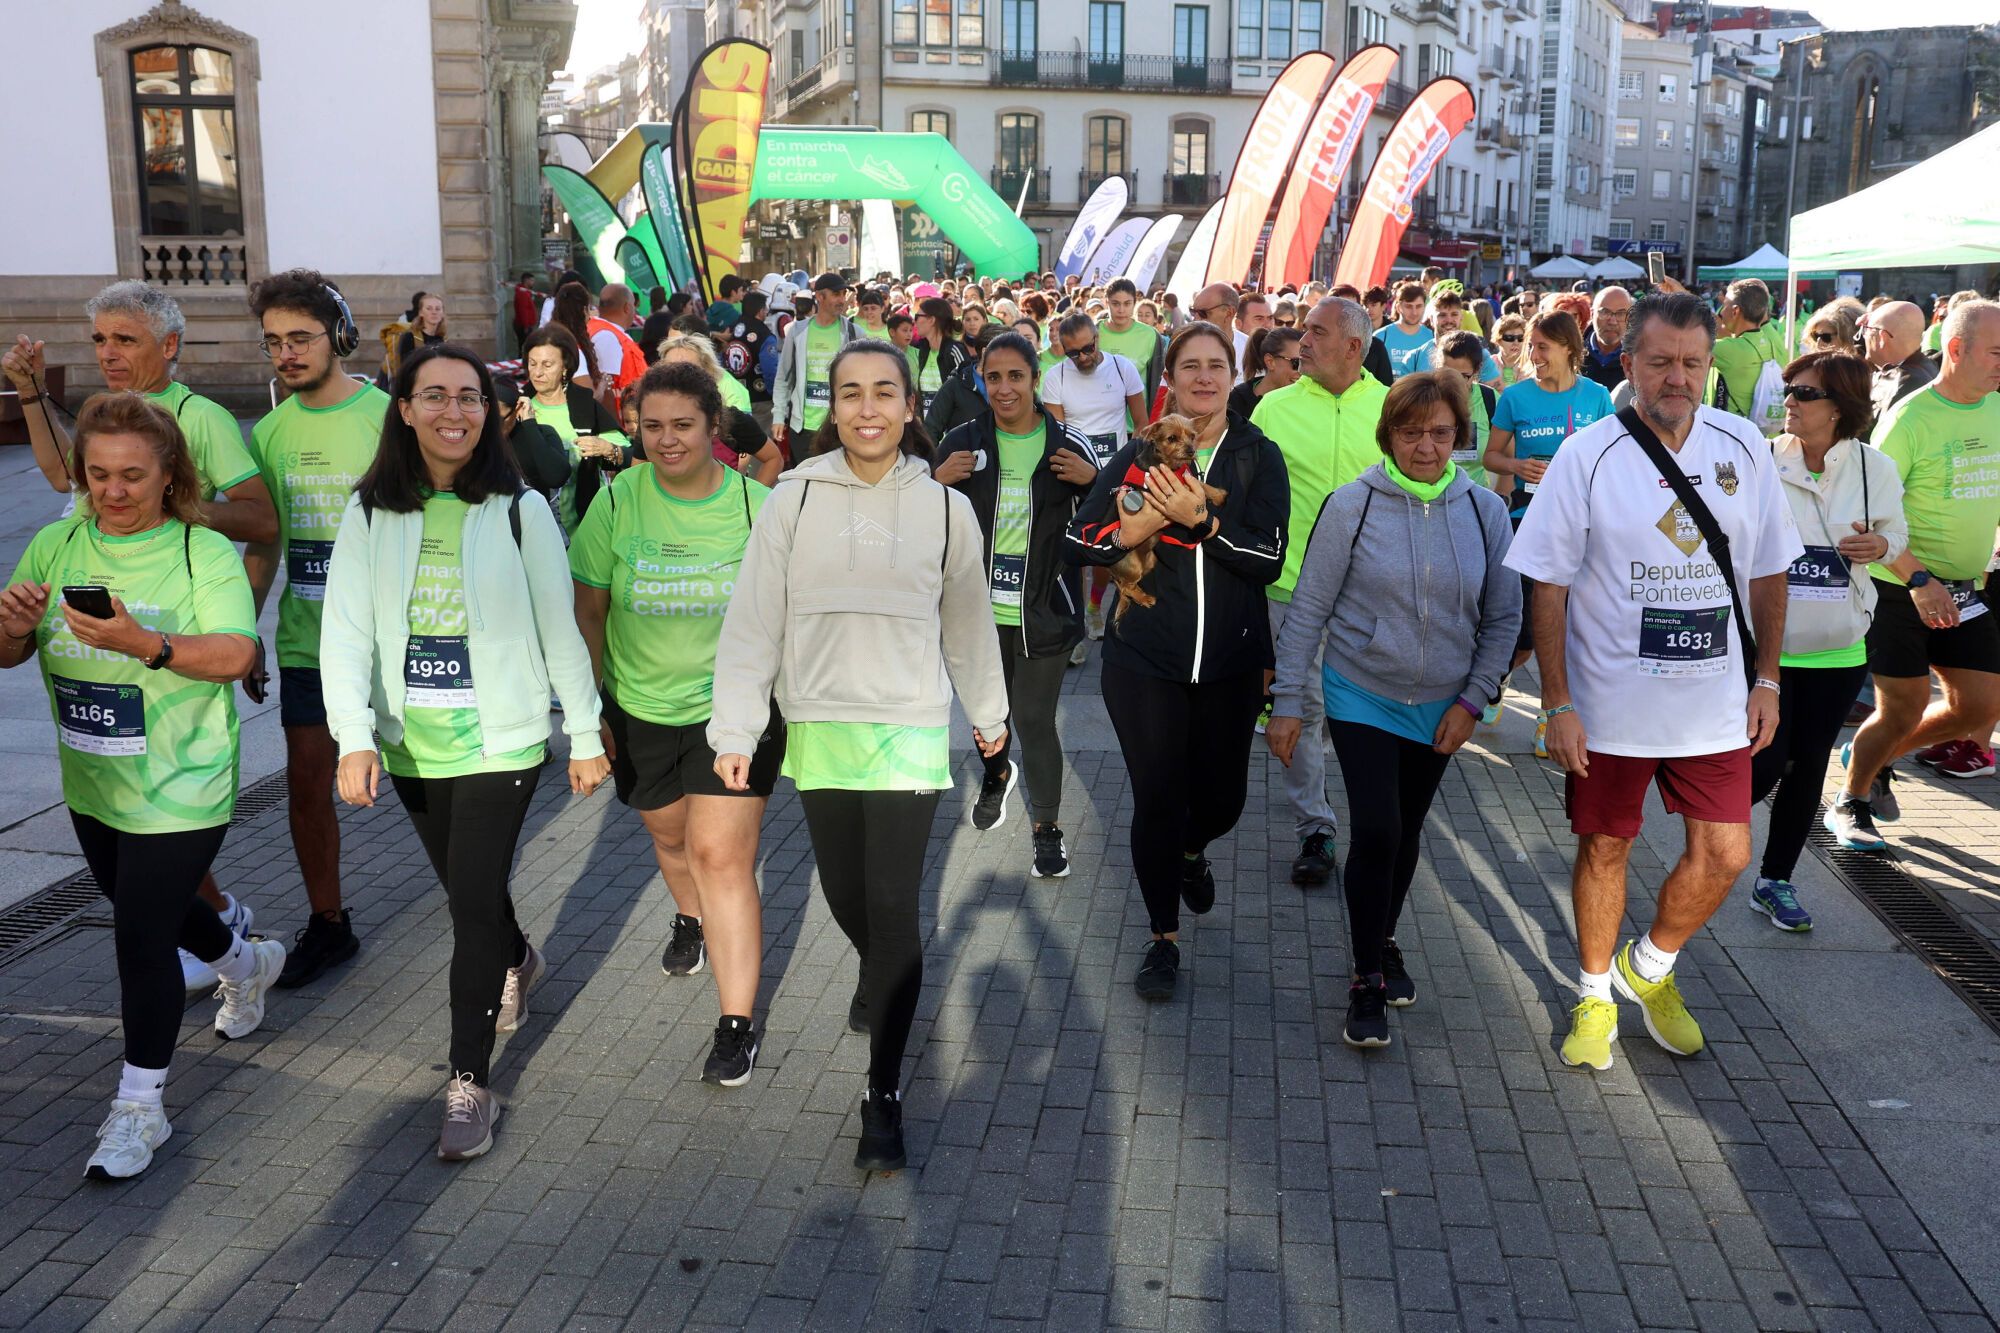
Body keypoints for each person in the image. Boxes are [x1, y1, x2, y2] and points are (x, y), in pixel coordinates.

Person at [708, 340, 1008, 1173]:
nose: (867, 408)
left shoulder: (946, 510)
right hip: (820, 729)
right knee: (848, 898)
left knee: (894, 907)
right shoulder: (793, 500)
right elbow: (753, 621)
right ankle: (878, 972)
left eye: (883, 392)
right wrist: (735, 729)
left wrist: (990, 718)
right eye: (850, 393)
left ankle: (883, 1091)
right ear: (831, 407)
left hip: (908, 729)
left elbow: (968, 623)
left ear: (911, 406)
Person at [321, 344, 610, 1160]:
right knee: (468, 891)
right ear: (405, 409)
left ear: (491, 412)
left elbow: (560, 627)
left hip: (502, 740)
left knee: (469, 907)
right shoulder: (371, 510)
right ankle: (518, 955)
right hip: (412, 744)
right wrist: (353, 736)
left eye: (470, 397)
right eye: (436, 396)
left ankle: (468, 1082)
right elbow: (345, 630)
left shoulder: (520, 510)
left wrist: (584, 733)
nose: (454, 411)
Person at [1505, 292, 1801, 1072]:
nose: (1678, 377)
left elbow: (1770, 568)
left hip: (1716, 701)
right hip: (1612, 705)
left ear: (1709, 364)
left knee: (1728, 854)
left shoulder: (1743, 444)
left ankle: (1650, 965)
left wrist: (1768, 679)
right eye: (1661, 361)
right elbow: (1547, 585)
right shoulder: (1588, 455)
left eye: (1692, 362)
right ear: (1629, 362)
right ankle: (1594, 993)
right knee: (1606, 847)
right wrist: (1557, 702)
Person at [0, 393, 280, 1179]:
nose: (113, 491)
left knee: (141, 937)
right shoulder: (56, 543)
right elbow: (9, 651)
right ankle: (246, 963)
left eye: (132, 475)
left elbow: (235, 653)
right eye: (98, 475)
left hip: (184, 778)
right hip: (95, 777)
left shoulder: (200, 551)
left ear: (168, 475)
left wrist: (143, 642)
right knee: (142, 905)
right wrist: (13, 626)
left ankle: (139, 1107)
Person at [1269, 372, 1519, 1047]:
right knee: (1378, 829)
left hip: (1444, 703)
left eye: (1440, 432)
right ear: (1388, 435)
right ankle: (1366, 976)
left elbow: (1504, 618)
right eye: (1411, 432)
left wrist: (1474, 700)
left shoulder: (1485, 512)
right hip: (1361, 691)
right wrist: (1286, 704)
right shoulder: (1351, 505)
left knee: (1406, 831)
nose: (1426, 446)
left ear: (1458, 435)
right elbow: (1308, 609)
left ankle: (1381, 936)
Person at [1066, 323, 1289, 1002]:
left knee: (1223, 801)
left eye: (1216, 365)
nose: (1203, 377)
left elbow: (1269, 558)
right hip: (1143, 659)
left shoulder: (1257, 454)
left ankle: (1193, 852)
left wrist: (1203, 522)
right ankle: (1163, 937)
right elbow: (1081, 538)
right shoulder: (1139, 451)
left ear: (1234, 375)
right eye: (1189, 365)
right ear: (1170, 378)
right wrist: (1127, 533)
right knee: (1158, 797)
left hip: (1230, 660)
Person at [571, 360, 777, 1086]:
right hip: (640, 707)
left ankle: (735, 1024)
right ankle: (690, 917)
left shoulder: (757, 507)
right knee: (671, 836)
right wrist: (592, 708)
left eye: (683, 425)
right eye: (651, 426)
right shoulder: (617, 501)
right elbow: (588, 610)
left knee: (720, 854)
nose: (666, 439)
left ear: (713, 426)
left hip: (735, 715)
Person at [240, 270, 391, 989]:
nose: (287, 354)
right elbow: (265, 539)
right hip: (309, 643)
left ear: (339, 335)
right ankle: (329, 923)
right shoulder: (270, 432)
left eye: (300, 338)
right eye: (274, 342)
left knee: (434, 788)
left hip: (395, 643)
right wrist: (243, 630)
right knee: (307, 782)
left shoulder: (388, 418)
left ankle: (483, 920)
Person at [1830, 301, 2000, 843]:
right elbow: (1863, 513)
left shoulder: (1997, 407)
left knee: (1980, 706)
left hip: (1965, 590)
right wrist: (1918, 580)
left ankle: (1872, 753)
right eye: (1997, 353)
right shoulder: (1910, 418)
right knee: (1901, 709)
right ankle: (1851, 799)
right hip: (1899, 586)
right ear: (1957, 349)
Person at [932, 332, 1099, 873]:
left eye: (1015, 376)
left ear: (1035, 378)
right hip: (976, 614)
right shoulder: (962, 441)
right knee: (989, 718)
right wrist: (934, 482)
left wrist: (1093, 482)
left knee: (1032, 719)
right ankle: (998, 774)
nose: (1004, 388)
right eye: (993, 377)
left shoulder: (1068, 443)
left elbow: (1105, 524)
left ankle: (1047, 828)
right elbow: (919, 526)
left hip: (1044, 611)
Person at [1750, 352, 1905, 927]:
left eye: (1805, 393)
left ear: (1840, 406)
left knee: (1807, 766)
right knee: (1763, 764)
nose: (1789, 400)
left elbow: (1896, 533)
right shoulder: (1761, 457)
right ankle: (1708, 846)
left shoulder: (1874, 468)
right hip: (1767, 648)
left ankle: (1775, 880)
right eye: (1789, 389)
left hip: (1839, 648)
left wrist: (1880, 547)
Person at [1252, 297, 1388, 886]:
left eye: (1315, 332)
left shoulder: (1390, 407)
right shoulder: (1273, 408)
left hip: (1370, 594)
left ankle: (1373, 815)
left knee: (1353, 710)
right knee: (1302, 708)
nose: (1301, 341)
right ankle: (1316, 826)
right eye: (1303, 330)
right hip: (1290, 588)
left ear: (1352, 347)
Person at [3, 281, 277, 544]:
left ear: (168, 345)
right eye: (100, 339)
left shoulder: (203, 416)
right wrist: (30, 390)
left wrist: (168, 505)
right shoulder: (105, 409)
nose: (107, 354)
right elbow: (62, 476)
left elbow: (262, 521)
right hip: (82, 563)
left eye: (124, 340)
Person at [1483, 310, 1617, 752]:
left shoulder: (1597, 397)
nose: (1533, 354)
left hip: (1584, 523)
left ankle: (1551, 713)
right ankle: (1497, 678)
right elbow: (1490, 456)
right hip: (1529, 520)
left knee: (1571, 625)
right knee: (1526, 630)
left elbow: (1613, 457)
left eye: (1542, 346)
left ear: (1568, 348)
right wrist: (1516, 465)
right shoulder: (1516, 397)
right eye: (1531, 346)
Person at [520, 325, 633, 531]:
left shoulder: (584, 405)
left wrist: (606, 448)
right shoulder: (518, 406)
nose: (537, 372)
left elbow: (629, 453)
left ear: (565, 367)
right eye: (532, 363)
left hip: (585, 526)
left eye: (547, 365)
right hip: (530, 528)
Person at [654, 332, 783, 485]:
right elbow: (636, 472)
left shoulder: (730, 419)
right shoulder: (652, 421)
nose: (677, 378)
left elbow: (773, 459)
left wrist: (750, 497)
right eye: (669, 370)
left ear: (707, 373)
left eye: (688, 370)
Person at [771, 272, 861, 455]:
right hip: (803, 428)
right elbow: (784, 377)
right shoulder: (797, 331)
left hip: (840, 428)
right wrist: (779, 416)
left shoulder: (854, 333)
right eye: (836, 294)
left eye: (844, 294)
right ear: (819, 296)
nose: (842, 300)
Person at [1711, 278, 1789, 429]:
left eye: (1724, 305)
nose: (1721, 312)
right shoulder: (1770, 339)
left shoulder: (1731, 349)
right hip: (1756, 430)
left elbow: (1688, 346)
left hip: (1729, 430)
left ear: (1735, 311)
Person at [1436, 331, 1501, 494]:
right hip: (1431, 498)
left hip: (1476, 499)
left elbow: (1508, 455)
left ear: (1476, 371)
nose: (1455, 383)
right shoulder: (1424, 399)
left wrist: (1503, 497)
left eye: (1464, 376)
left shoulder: (1490, 399)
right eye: (1449, 374)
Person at [1859, 300, 1937, 423]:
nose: (1863, 336)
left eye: (1866, 330)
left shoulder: (1900, 383)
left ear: (1882, 338)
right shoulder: (1930, 367)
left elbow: (1875, 432)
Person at [1100, 278, 1167, 409]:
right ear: (1106, 302)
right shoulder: (1093, 332)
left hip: (1137, 418)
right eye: (1115, 304)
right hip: (1100, 416)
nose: (1121, 310)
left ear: (1134, 303)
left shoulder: (1150, 335)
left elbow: (1158, 383)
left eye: (1127, 304)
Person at [909, 296, 972, 418]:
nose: (914, 322)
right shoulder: (923, 350)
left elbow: (968, 388)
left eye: (917, 317)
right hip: (929, 424)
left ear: (931, 320)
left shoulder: (954, 350)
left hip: (952, 425)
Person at [589, 285, 647, 413]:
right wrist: (615, 424)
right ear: (627, 308)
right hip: (621, 417)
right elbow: (606, 390)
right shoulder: (607, 337)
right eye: (634, 305)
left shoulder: (607, 332)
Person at [1226, 326, 1302, 422]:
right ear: (1270, 362)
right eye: (1297, 363)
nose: (1302, 371)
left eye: (1307, 363)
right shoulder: (1237, 401)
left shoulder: (1306, 399)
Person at [1372, 283, 1435, 380]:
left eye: (1418, 306)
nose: (1414, 312)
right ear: (1398, 307)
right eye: (1409, 306)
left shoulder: (1432, 337)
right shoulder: (1381, 336)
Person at [1189, 284, 1249, 383]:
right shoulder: (1183, 347)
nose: (1195, 319)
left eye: (1203, 313)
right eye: (1192, 311)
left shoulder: (1251, 350)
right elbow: (1166, 390)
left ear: (1229, 313)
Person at [1581, 286, 1632, 392]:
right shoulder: (1571, 353)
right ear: (1592, 314)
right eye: (1605, 312)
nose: (1612, 321)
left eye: (1621, 314)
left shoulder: (1640, 359)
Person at [393, 293, 448, 377]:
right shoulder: (409, 337)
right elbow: (405, 369)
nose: (434, 312)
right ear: (421, 313)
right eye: (429, 308)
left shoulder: (443, 339)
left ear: (442, 313)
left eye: (438, 309)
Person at [1493, 314, 1529, 387]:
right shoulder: (1488, 364)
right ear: (1498, 340)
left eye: (1521, 338)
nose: (1516, 342)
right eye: (1509, 338)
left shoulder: (1531, 367)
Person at [512, 272, 539, 352]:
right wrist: (526, 326)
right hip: (523, 326)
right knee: (525, 348)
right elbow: (523, 310)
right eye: (532, 280)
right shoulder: (522, 293)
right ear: (526, 280)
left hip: (525, 325)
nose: (533, 283)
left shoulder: (526, 292)